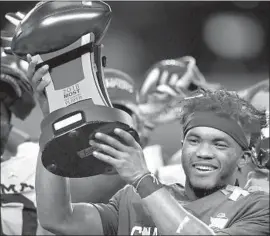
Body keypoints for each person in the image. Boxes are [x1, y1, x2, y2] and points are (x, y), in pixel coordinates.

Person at [35, 85, 269, 235]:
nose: (203, 152)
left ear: (243, 158)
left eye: (219, 144)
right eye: (194, 140)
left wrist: (142, 178)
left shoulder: (257, 207)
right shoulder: (131, 198)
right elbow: (58, 219)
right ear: (183, 147)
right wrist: (53, 124)